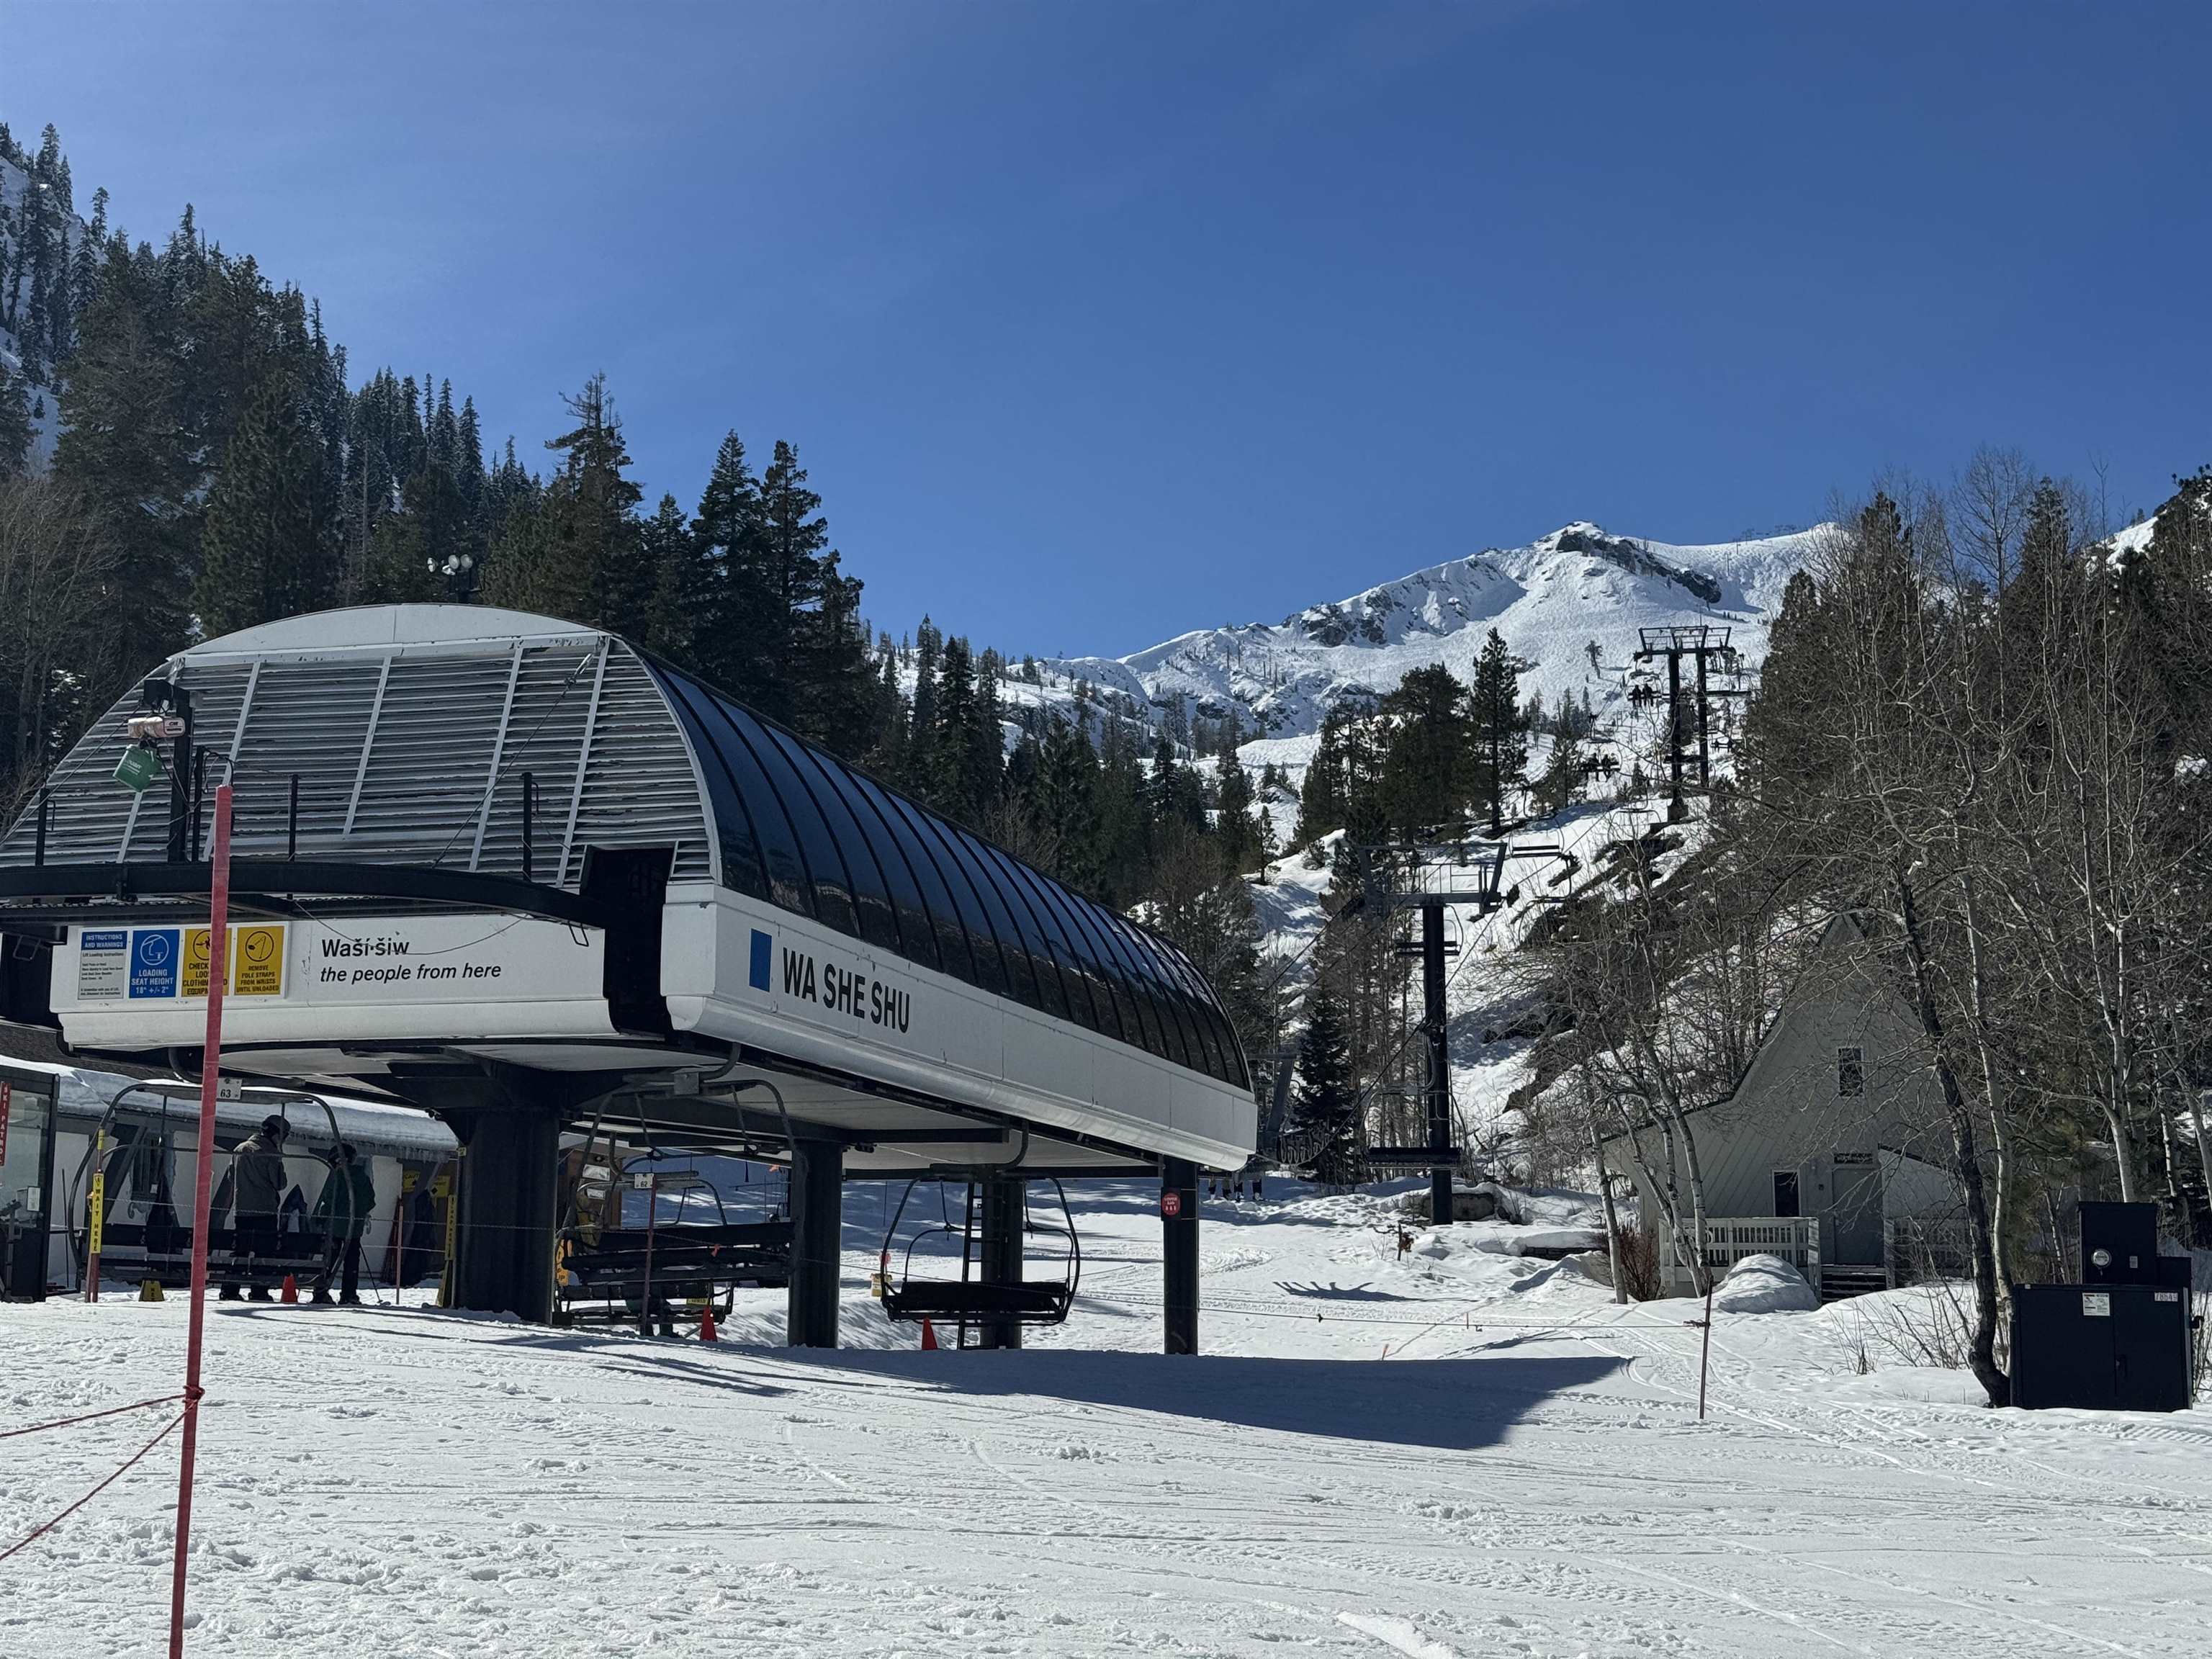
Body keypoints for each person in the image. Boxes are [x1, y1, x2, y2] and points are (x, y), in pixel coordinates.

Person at [217, 1116, 290, 1301]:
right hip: (265, 1210)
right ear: (276, 1134)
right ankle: (259, 1291)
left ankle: (230, 1289)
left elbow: (230, 1177)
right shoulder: (270, 1152)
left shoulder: (239, 1149)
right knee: (264, 1252)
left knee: (240, 1250)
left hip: (242, 1209)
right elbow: (280, 1183)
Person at [309, 1143, 377, 1305]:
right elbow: (370, 1201)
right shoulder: (362, 1177)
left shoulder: (336, 1175)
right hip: (354, 1228)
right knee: (351, 1262)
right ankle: (349, 1295)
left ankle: (320, 1292)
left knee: (329, 1261)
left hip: (334, 1227)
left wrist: (322, 1218)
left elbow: (329, 1199)